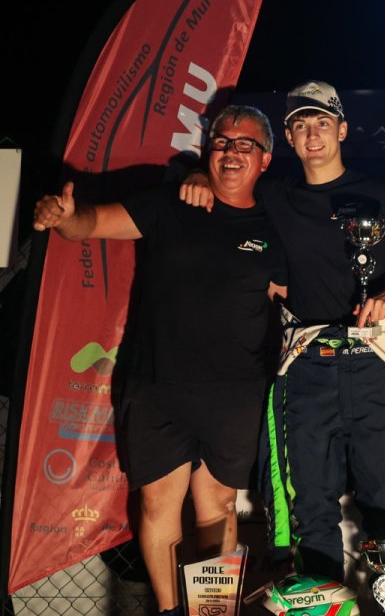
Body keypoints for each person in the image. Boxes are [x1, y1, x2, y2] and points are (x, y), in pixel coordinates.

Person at [184, 81, 385, 611]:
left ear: (341, 129)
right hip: (304, 368)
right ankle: (320, 607)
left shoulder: (380, 194)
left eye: (322, 122)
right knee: (308, 506)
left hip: (374, 363)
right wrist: (196, 176)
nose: (312, 133)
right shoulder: (274, 197)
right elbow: (226, 187)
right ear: (290, 141)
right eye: (299, 125)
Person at [34, 105, 285, 616]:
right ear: (206, 148)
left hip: (235, 392)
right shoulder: (169, 204)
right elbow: (91, 223)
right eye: (221, 141)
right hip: (156, 386)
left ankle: (210, 613)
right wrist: (66, 217)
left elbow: (301, 289)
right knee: (156, 506)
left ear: (265, 158)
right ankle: (173, 612)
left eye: (245, 144)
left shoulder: (279, 226)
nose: (231, 152)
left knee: (215, 507)